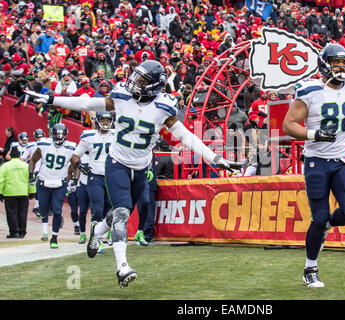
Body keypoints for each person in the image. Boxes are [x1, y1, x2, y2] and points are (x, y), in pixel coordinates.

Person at [25, 60, 241, 288]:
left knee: (121, 213)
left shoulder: (164, 106)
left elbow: (186, 136)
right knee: (120, 213)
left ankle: (97, 232)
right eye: (136, 76)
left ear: (154, 85)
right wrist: (52, 99)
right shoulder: (121, 96)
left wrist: (215, 158)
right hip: (117, 162)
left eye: (142, 80)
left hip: (142, 167)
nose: (135, 82)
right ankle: (122, 267)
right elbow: (88, 103)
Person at [282, 44, 345, 288]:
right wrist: (314, 134)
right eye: (336, 63)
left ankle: (328, 225)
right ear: (324, 65)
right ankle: (310, 269)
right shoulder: (310, 90)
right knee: (318, 217)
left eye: (344, 63)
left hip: (342, 161)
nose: (342, 67)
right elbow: (289, 125)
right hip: (316, 162)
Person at [70, 112, 115, 249]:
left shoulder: (116, 135)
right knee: (98, 209)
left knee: (109, 209)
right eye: (104, 120)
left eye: (108, 120)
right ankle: (96, 240)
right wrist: (79, 165)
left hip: (111, 176)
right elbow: (75, 156)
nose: (106, 123)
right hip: (95, 176)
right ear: (98, 121)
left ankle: (103, 236)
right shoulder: (88, 136)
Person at [28, 123, 77, 249]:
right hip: (44, 182)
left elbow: (77, 165)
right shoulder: (43, 144)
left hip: (60, 183)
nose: (59, 137)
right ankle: (48, 225)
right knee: (43, 211)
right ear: (52, 134)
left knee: (57, 210)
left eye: (61, 135)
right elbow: (33, 160)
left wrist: (75, 181)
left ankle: (54, 237)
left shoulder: (70, 148)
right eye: (56, 134)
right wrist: (31, 175)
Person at [0, 146, 36, 238]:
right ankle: (22, 231)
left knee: (11, 213)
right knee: (23, 212)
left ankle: (13, 232)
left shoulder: (5, 166)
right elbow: (31, 179)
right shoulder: (26, 166)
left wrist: (0, 193)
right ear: (19, 155)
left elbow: (1, 181)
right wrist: (32, 192)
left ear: (11, 156)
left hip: (10, 193)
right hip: (23, 192)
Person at [21, 128, 45, 217]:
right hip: (34, 170)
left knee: (42, 189)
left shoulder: (47, 145)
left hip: (44, 169)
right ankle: (37, 206)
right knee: (37, 189)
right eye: (38, 137)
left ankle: (38, 206)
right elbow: (23, 158)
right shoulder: (31, 146)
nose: (40, 139)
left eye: (41, 137)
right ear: (35, 137)